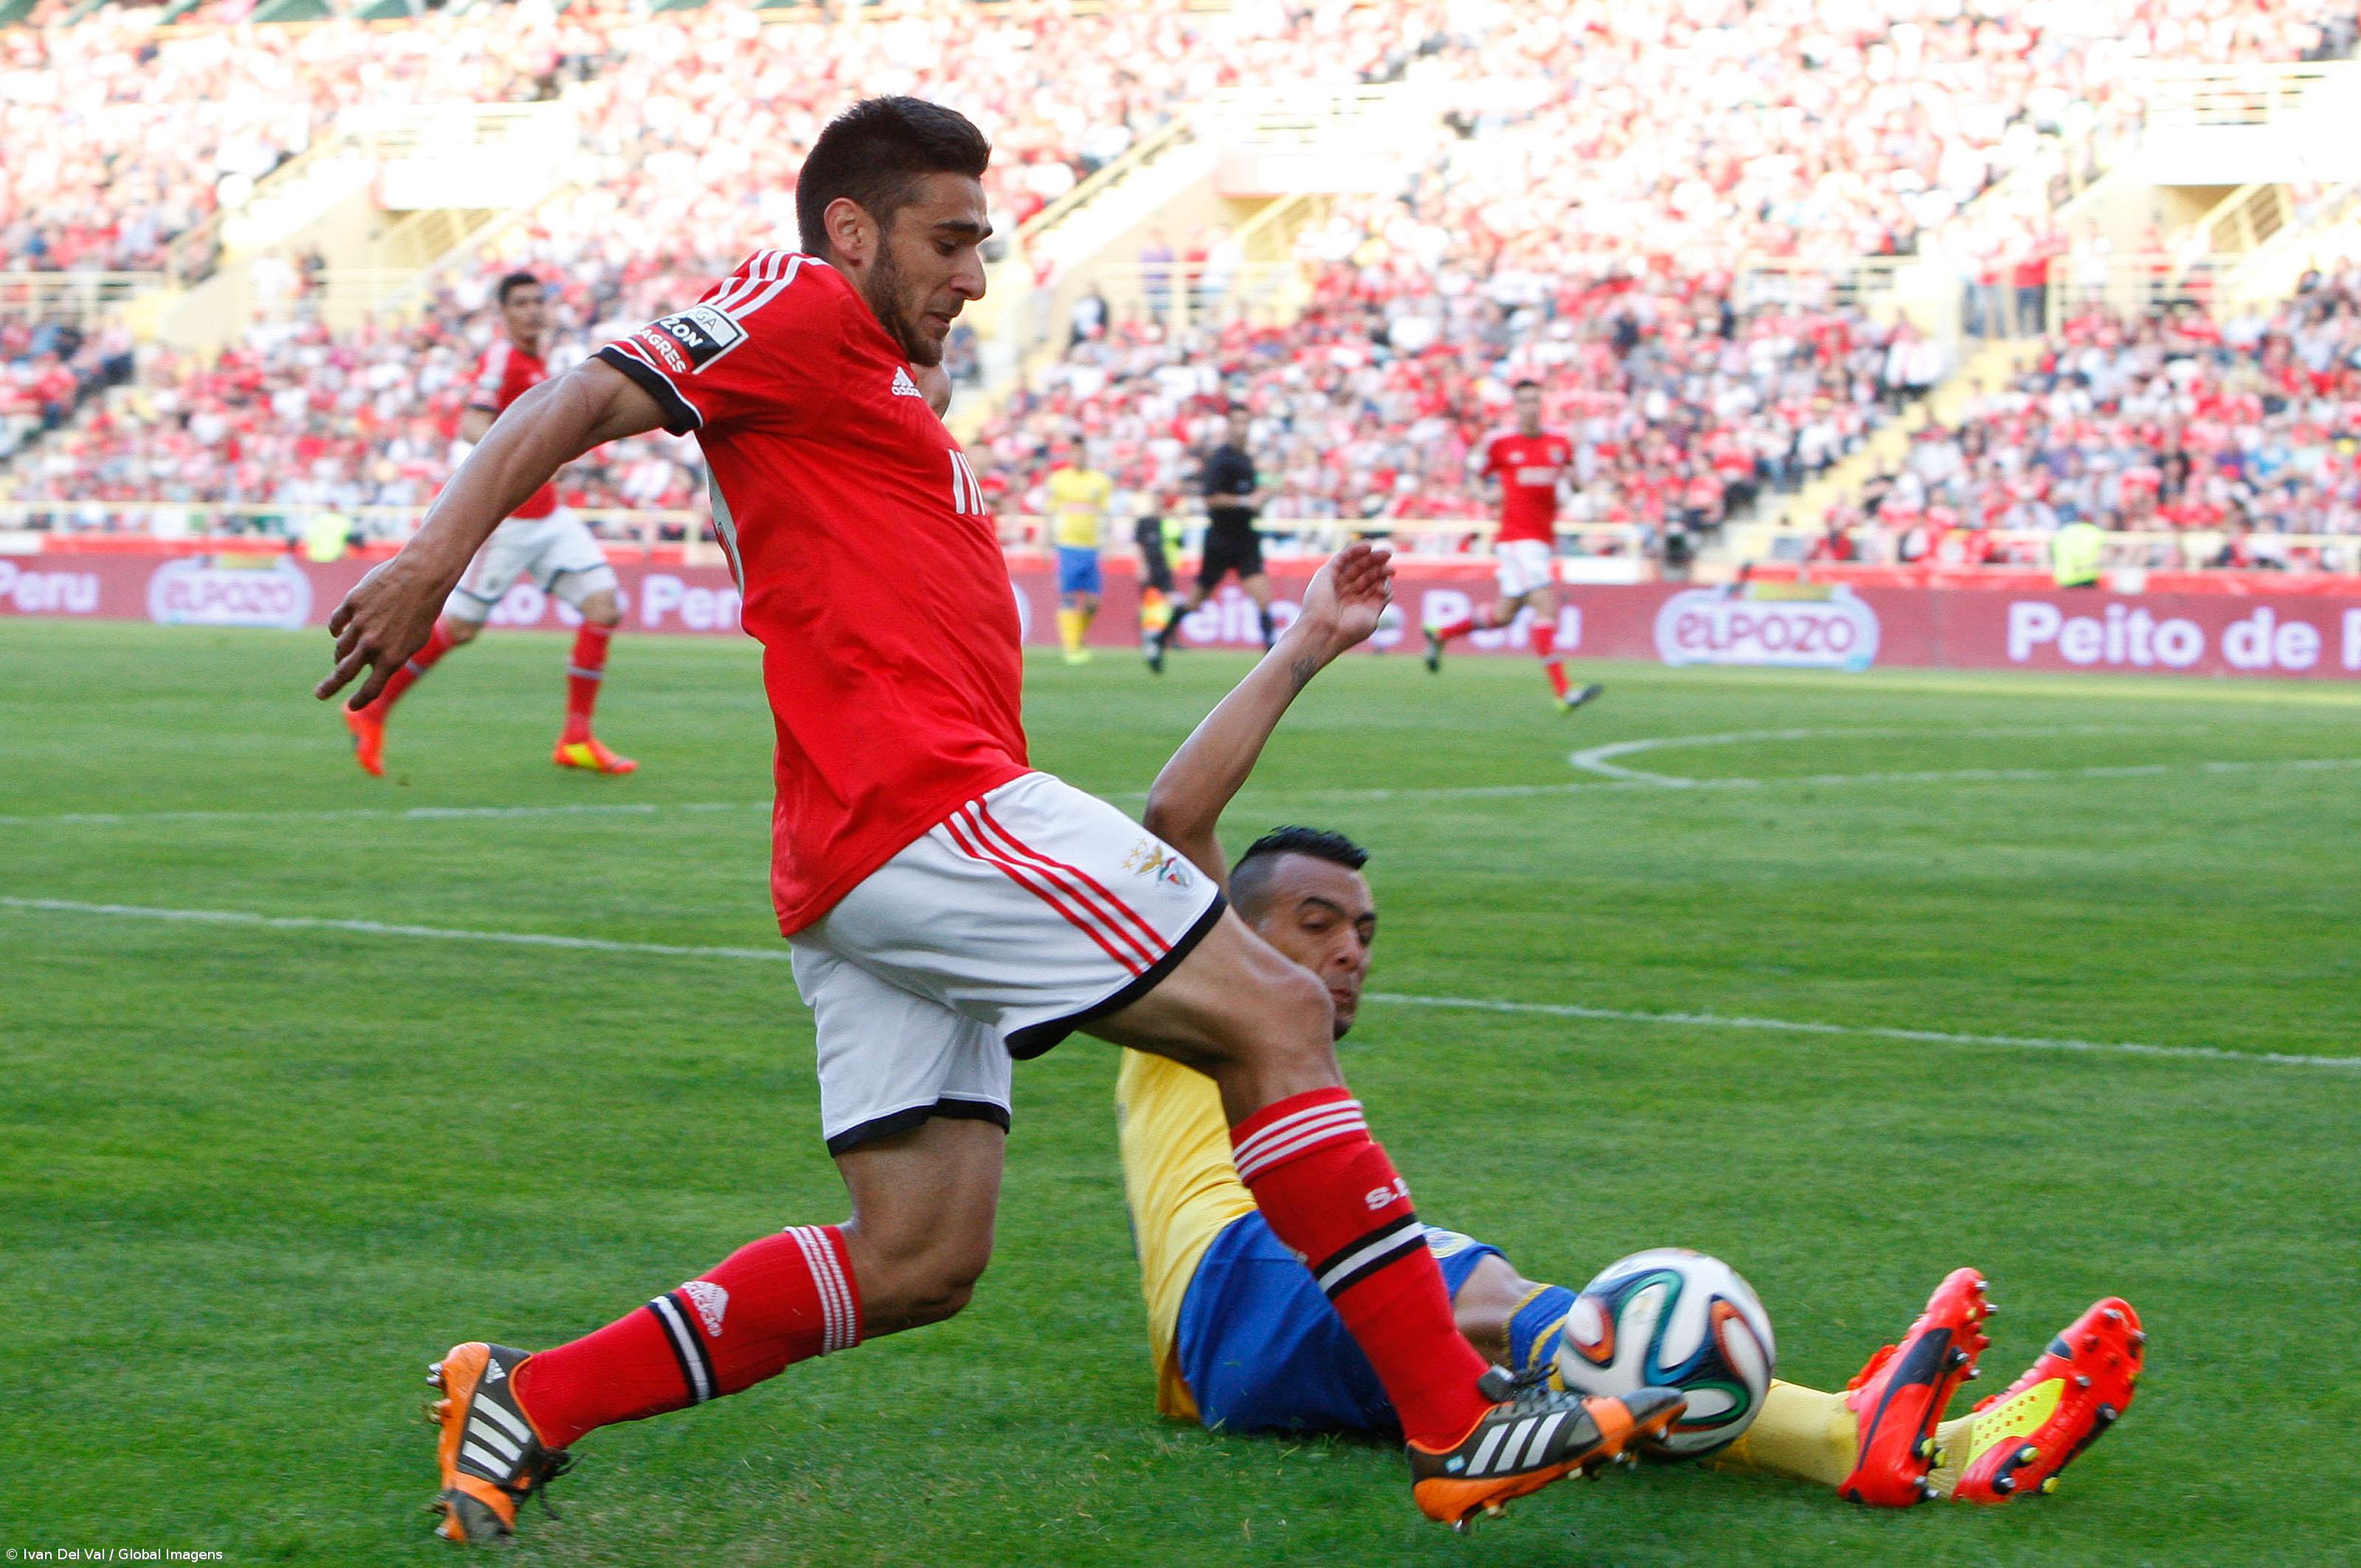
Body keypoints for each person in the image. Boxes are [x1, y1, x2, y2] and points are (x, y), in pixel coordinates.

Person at [315, 97, 1674, 1545]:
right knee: (1277, 1012)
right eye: (949, 239)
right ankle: (1455, 1421)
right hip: (924, 804)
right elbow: (580, 392)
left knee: (916, 1258)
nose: (975, 273)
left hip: (857, 855)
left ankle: (535, 1395)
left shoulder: (869, 392)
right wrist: (430, 560)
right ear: (850, 230)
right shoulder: (794, 304)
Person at [1117, 587, 2146, 1507]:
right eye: (1317, 921)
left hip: (1241, 1340)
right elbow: (1175, 811)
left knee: (1560, 1393)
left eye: (1366, 933)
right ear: (1232, 926)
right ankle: (1854, 1428)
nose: (1349, 951)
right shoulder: (1202, 972)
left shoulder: (1276, 1046)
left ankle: (1914, 1444)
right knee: (1496, 1299)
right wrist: (1309, 639)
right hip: (1237, 1281)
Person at [340, 271, 636, 778]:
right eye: (519, 303)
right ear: (503, 313)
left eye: (536, 302)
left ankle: (577, 737)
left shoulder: (539, 358)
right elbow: (473, 423)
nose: (530, 311)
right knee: (460, 627)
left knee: (604, 606)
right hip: (511, 521)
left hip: (549, 514)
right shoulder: (503, 357)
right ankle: (372, 708)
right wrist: (531, 453)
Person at [1423, 380, 1602, 714]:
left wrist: (1576, 480)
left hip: (1541, 540)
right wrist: (1485, 494)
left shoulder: (1559, 444)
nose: (1530, 407)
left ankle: (1441, 632)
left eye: (1535, 400)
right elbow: (1476, 476)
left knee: (1505, 614)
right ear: (1515, 407)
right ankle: (1563, 692)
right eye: (1524, 402)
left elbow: (1575, 482)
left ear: (1541, 405)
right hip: (1518, 541)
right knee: (1545, 606)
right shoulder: (1503, 445)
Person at [1149, 406, 1271, 674]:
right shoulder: (1221, 460)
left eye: (1246, 423)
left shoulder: (1246, 460)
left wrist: (1258, 502)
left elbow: (1248, 500)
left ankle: (1274, 660)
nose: (1243, 428)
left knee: (1263, 599)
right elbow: (1210, 498)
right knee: (1195, 601)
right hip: (1220, 540)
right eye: (1238, 423)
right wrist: (1245, 501)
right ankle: (1159, 639)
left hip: (1245, 538)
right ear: (1229, 427)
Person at [1043, 436, 1114, 665]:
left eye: (1081, 453)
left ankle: (1078, 638)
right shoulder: (1059, 480)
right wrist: (1046, 543)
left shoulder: (1100, 481)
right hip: (1068, 545)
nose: (1078, 457)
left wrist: (1109, 541)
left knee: (1094, 601)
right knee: (1069, 597)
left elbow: (1105, 514)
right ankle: (1071, 648)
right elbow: (1050, 514)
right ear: (1069, 455)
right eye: (1073, 453)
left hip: (1092, 546)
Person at [1133, 494, 1183, 657]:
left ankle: (1169, 638)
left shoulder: (1169, 523)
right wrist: (1142, 566)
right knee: (1148, 606)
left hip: (1164, 569)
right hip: (1150, 568)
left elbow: (1177, 546)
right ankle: (1147, 638)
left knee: (1173, 605)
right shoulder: (1145, 522)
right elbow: (1140, 546)